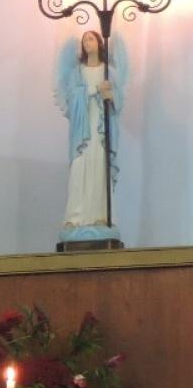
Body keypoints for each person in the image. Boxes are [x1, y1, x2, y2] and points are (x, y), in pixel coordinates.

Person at [55, 30, 126, 235]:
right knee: (80, 168)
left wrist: (109, 95)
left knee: (99, 168)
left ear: (99, 43)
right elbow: (72, 97)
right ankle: (75, 217)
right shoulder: (77, 71)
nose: (87, 43)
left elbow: (117, 103)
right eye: (85, 40)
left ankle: (101, 215)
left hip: (102, 131)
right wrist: (96, 90)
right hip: (82, 132)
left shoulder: (108, 71)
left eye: (91, 39)